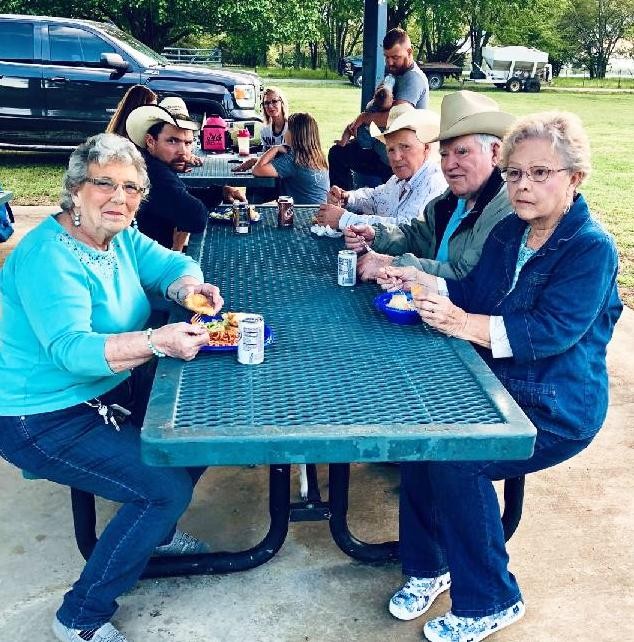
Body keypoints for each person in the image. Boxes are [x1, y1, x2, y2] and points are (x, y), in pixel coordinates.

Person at [378, 111, 623, 642]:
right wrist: (422, 283)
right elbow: (478, 293)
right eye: (514, 173)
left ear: (575, 177)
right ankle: (430, 566)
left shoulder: (591, 247)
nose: (523, 185)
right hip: (497, 383)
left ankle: (492, 599)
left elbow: (550, 331)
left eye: (540, 173)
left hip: (557, 406)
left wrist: (461, 323)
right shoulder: (511, 229)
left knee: (457, 458)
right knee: (420, 434)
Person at [0, 133, 224, 642]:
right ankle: (79, 617)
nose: (118, 198)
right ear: (75, 189)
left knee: (201, 424)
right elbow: (71, 350)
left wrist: (188, 288)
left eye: (130, 188)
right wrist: (157, 341)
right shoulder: (48, 256)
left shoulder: (118, 236)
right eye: (104, 184)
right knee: (163, 490)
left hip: (106, 391)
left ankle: (155, 534)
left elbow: (172, 264)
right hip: (41, 417)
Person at [343, 91, 515, 282]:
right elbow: (419, 236)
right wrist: (377, 236)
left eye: (461, 152)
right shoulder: (452, 198)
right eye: (444, 154)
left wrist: (393, 264)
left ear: (494, 153)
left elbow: (467, 277)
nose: (449, 165)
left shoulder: (506, 210)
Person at [126, 98, 244, 248]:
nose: (183, 152)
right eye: (172, 141)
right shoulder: (155, 173)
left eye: (187, 143)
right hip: (147, 260)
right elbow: (196, 217)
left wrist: (220, 192)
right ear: (150, 141)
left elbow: (179, 195)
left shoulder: (151, 163)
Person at [328, 28, 430, 190]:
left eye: (395, 57)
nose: (389, 62)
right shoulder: (396, 75)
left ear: (409, 52)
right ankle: (341, 199)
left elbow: (397, 117)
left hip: (399, 159)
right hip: (380, 151)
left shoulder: (412, 78)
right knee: (338, 153)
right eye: (386, 57)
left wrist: (365, 118)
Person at [315, 106, 447, 229]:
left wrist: (344, 219)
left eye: (405, 147)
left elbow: (406, 228)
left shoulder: (434, 183)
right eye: (390, 149)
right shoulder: (398, 180)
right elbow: (375, 198)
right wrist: (347, 197)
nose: (396, 157)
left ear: (426, 148)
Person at [252, 112, 329, 204]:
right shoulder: (319, 156)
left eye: (287, 129)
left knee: (256, 194)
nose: (285, 132)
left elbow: (257, 170)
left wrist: (275, 148)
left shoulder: (293, 159)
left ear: (294, 134)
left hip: (302, 211)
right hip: (322, 209)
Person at [231, 86, 289, 173]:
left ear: (282, 103)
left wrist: (255, 161)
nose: (270, 106)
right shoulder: (265, 130)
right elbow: (264, 157)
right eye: (266, 103)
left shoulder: (292, 128)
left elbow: (293, 159)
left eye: (274, 101)